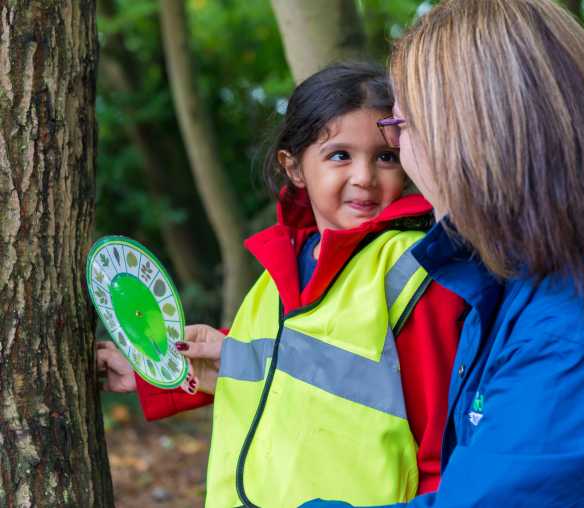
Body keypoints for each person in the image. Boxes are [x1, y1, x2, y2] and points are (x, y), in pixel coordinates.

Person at [98, 62, 465, 507]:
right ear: (293, 167)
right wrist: (149, 370)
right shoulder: (278, 273)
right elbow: (272, 371)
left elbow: (443, 437)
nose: (365, 177)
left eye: (385, 156)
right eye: (339, 155)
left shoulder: (412, 268)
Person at [302, 0, 584, 507]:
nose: (402, 158)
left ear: (467, 135)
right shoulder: (510, 284)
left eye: (400, 130)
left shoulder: (567, 327)